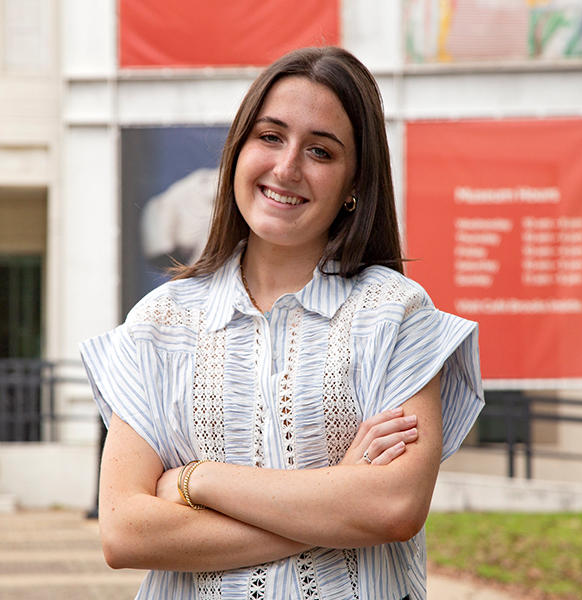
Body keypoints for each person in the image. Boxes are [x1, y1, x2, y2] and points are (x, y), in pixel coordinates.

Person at [80, 46, 483, 600]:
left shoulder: (398, 314)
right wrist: (333, 501)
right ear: (237, 149)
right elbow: (125, 532)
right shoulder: (159, 322)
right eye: (270, 137)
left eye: (320, 151)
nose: (287, 168)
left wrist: (196, 481)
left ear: (354, 184)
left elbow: (391, 508)